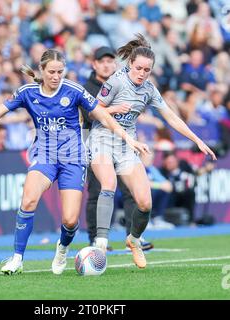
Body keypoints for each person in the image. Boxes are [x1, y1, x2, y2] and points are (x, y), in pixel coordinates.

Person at [0, 48, 149, 275]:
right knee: (28, 201)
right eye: (52, 72)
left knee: (69, 221)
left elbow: (103, 115)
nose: (56, 77)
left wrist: (127, 137)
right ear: (42, 71)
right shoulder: (27, 92)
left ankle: (62, 248)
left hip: (73, 159)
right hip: (44, 156)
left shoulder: (74, 90)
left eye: (60, 72)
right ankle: (17, 258)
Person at [87, 34, 216, 269]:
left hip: (128, 145)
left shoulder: (148, 89)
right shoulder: (114, 82)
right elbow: (94, 111)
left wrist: (197, 140)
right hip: (102, 139)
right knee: (108, 185)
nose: (142, 73)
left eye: (147, 70)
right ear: (130, 65)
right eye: (139, 68)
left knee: (145, 203)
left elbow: (170, 117)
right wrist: (115, 108)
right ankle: (100, 244)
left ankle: (133, 241)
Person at [81, 46, 153, 250]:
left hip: (123, 143)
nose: (106, 65)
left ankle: (133, 236)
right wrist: (111, 109)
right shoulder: (88, 87)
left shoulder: (123, 84)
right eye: (102, 61)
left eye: (110, 61)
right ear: (94, 64)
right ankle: (96, 237)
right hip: (96, 140)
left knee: (130, 191)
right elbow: (88, 115)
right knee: (98, 189)